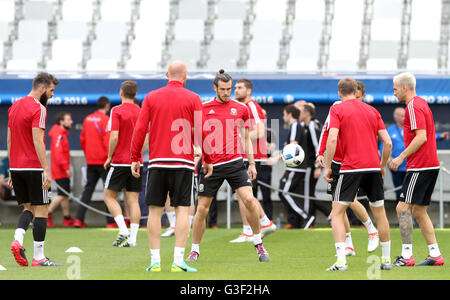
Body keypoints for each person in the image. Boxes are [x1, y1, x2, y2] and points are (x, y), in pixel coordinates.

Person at [130, 61, 213, 273]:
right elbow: (202, 131)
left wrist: (135, 157)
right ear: (185, 76)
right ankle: (178, 260)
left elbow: (140, 129)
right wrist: (209, 159)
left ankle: (155, 261)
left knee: (155, 211)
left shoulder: (151, 97)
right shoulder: (193, 98)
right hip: (183, 163)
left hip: (157, 162)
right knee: (182, 210)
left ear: (167, 75)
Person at [186, 70, 270, 263]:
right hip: (211, 165)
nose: (226, 92)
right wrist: (196, 150)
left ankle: (258, 244)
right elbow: (193, 133)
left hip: (235, 163)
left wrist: (251, 163)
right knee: (202, 209)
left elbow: (246, 138)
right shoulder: (204, 108)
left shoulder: (241, 108)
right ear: (214, 88)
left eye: (229, 89)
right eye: (223, 89)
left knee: (249, 200)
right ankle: (195, 250)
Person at [324, 77, 392, 271]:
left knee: (336, 213)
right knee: (380, 213)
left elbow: (332, 138)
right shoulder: (373, 110)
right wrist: (383, 165)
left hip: (351, 167)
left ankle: (341, 262)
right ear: (356, 91)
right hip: (373, 167)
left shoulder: (337, 109)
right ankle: (386, 261)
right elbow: (387, 143)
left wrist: (328, 166)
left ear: (339, 93)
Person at [389, 72, 445, 267]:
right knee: (420, 211)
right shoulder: (421, 103)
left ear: (404, 88)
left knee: (402, 207)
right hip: (430, 165)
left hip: (420, 166)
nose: (394, 93)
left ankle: (406, 256)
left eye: (395, 89)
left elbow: (421, 137)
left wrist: (400, 157)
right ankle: (435, 255)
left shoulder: (412, 106)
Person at [9, 72, 62, 267]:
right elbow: (38, 140)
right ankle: (39, 257)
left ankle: (18, 240)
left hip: (16, 167)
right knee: (42, 210)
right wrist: (46, 170)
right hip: (33, 166)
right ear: (42, 89)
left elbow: (9, 138)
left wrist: (10, 169)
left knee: (28, 208)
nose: (52, 94)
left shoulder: (14, 106)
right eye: (51, 90)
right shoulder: (38, 108)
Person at [317, 99, 380, 256]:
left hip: (350, 163)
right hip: (337, 162)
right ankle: (348, 245)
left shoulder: (360, 111)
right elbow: (326, 132)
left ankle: (372, 230)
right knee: (337, 205)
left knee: (350, 200)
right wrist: (320, 153)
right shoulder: (335, 107)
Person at [229, 78, 276, 243]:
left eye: (240, 87)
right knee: (244, 194)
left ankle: (250, 230)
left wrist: (237, 138)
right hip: (247, 156)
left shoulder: (252, 106)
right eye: (235, 87)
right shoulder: (243, 107)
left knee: (244, 194)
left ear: (249, 90)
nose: (236, 90)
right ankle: (263, 223)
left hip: (253, 156)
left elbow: (260, 132)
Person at [104, 81, 146, 248]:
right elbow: (146, 138)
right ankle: (133, 239)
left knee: (108, 196)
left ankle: (122, 229)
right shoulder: (142, 111)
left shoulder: (117, 110)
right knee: (133, 200)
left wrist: (109, 156)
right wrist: (137, 156)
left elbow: (114, 136)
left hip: (120, 161)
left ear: (121, 92)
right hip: (136, 162)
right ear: (135, 94)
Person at [380, 107, 450, 202]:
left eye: (405, 115)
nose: (405, 117)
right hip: (397, 168)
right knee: (400, 195)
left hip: (411, 166)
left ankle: (413, 216)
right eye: (402, 116)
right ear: (396, 117)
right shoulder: (390, 131)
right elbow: (384, 147)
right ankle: (402, 215)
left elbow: (423, 137)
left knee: (413, 195)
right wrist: (388, 161)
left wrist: (440, 136)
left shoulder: (410, 128)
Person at [75, 96, 113, 228]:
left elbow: (82, 141)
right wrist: (110, 157)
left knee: (88, 191)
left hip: (91, 161)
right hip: (104, 162)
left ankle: (78, 219)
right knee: (109, 191)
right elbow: (108, 141)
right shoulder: (107, 120)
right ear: (107, 106)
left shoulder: (87, 119)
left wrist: (88, 156)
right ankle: (111, 222)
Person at [278, 104, 315, 229]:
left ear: (289, 114)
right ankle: (300, 220)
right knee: (290, 193)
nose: (283, 117)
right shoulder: (296, 126)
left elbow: (293, 146)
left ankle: (306, 216)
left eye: (284, 114)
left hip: (295, 167)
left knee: (284, 192)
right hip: (296, 167)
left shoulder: (294, 126)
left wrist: (278, 157)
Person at [297, 103, 328, 227]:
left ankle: (308, 220)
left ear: (307, 113)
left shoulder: (311, 126)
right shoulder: (307, 125)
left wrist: (317, 167)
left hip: (311, 165)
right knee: (309, 194)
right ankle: (314, 220)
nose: (299, 114)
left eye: (301, 112)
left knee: (307, 194)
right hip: (309, 165)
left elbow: (317, 146)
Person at [47, 112, 74, 228]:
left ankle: (67, 218)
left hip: (60, 169)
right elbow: (58, 154)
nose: (71, 121)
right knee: (63, 194)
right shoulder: (58, 134)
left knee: (65, 194)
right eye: (69, 119)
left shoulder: (60, 133)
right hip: (60, 170)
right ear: (61, 122)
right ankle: (45, 215)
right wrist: (66, 168)